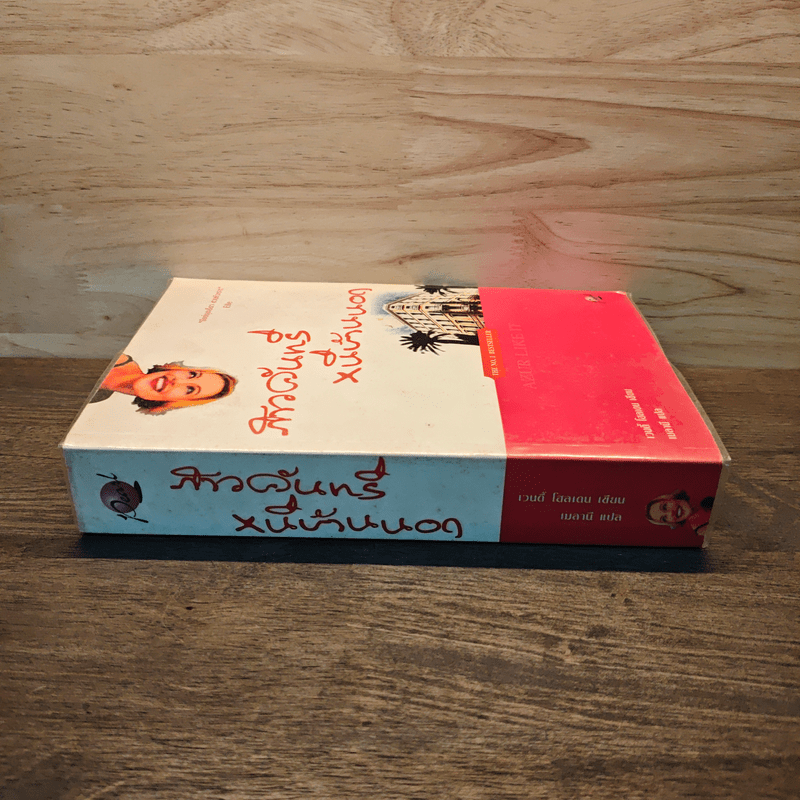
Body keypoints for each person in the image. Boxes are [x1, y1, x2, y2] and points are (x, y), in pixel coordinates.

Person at [90, 353, 236, 415]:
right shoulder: (116, 357)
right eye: (192, 375)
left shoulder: (100, 397)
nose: (177, 381)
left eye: (190, 389)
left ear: (174, 402)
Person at [645, 489, 714, 536]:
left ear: (670, 498)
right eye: (664, 518)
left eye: (665, 507)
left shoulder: (701, 490)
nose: (671, 513)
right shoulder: (700, 529)